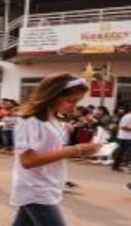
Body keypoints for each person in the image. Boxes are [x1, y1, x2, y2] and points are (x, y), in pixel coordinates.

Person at [12, 74, 100, 226]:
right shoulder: (30, 120)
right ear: (51, 96)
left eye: (77, 101)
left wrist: (84, 150)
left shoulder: (54, 119)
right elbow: (28, 160)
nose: (73, 106)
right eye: (70, 101)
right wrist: (75, 150)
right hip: (36, 189)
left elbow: (52, 150)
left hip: (48, 183)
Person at [112, 107, 131, 172]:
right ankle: (116, 166)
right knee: (122, 152)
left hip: (127, 137)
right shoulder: (128, 117)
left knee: (123, 152)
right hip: (125, 137)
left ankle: (116, 166)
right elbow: (123, 127)